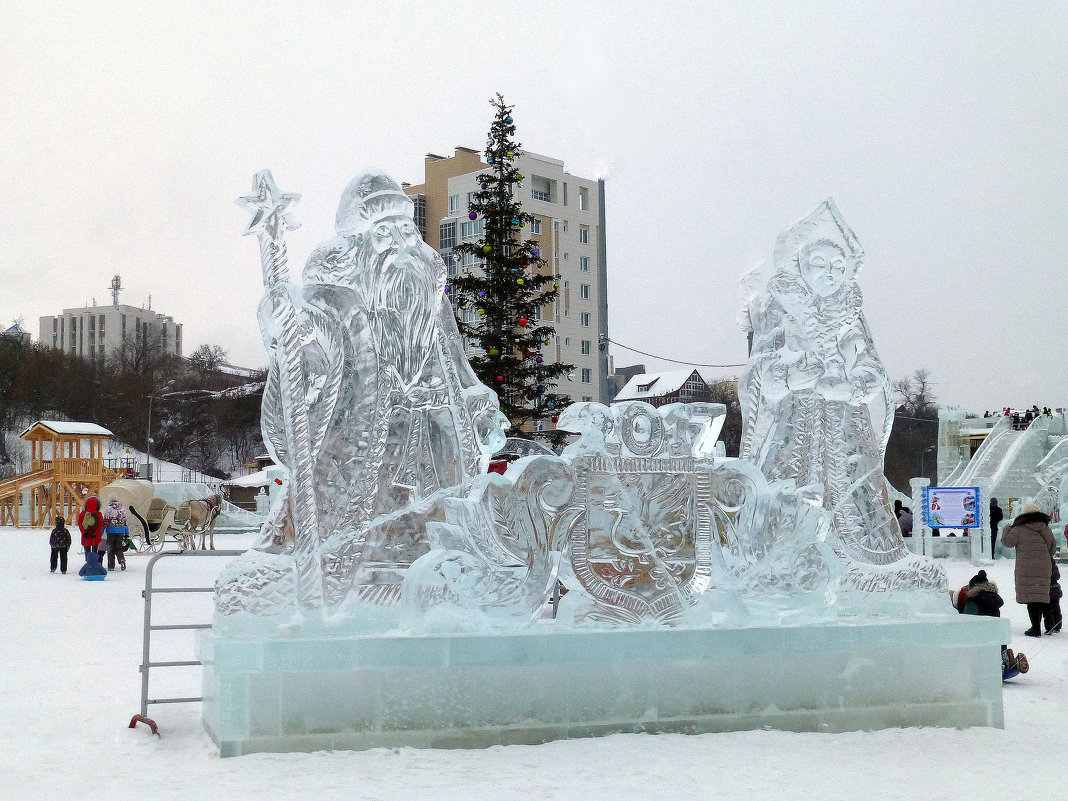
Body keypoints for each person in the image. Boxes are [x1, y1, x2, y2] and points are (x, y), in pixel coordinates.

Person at [953, 570, 1029, 678]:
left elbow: (967, 621)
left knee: (977, 655)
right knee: (996, 654)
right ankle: (1007, 660)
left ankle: (993, 664)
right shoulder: (993, 598)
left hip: (979, 640)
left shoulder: (973, 599)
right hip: (997, 637)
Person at [1001, 503, 1057, 636]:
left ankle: (1035, 628)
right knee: (1043, 595)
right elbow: (1053, 546)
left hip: (1025, 568)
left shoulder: (1019, 528)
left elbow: (1007, 542)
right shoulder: (1045, 528)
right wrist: (1044, 557)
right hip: (1043, 566)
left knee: (1032, 598)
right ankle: (1050, 625)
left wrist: (1007, 529)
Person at [102, 497, 128, 571]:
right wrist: (126, 532)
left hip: (110, 531)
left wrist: (102, 531)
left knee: (110, 548)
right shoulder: (122, 509)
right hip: (120, 530)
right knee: (119, 547)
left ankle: (111, 565)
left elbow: (106, 519)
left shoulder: (108, 509)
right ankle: (121, 559)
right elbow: (125, 521)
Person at [1045, 560, 1062, 634]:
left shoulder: (1044, 565)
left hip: (1048, 590)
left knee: (1048, 610)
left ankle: (1050, 626)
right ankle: (1058, 626)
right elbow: (1057, 576)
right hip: (1056, 590)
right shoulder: (1054, 565)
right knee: (1056, 609)